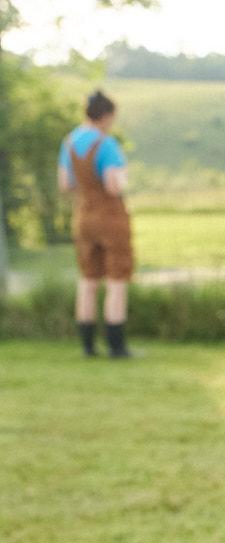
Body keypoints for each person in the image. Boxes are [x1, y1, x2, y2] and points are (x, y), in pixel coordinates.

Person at [58, 91, 134, 358]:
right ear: (106, 116)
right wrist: (124, 178)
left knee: (88, 280)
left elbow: (65, 184)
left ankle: (88, 346)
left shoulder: (69, 142)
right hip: (110, 218)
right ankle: (116, 346)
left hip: (83, 217)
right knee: (116, 280)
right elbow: (113, 185)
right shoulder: (107, 144)